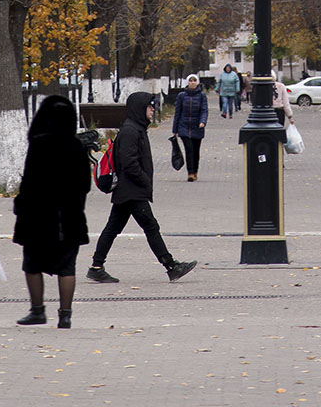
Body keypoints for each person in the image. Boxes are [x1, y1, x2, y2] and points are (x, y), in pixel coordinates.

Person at [86, 92, 197, 284]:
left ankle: (96, 267)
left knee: (113, 228)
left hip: (130, 189)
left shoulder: (136, 129)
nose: (153, 109)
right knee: (150, 226)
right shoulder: (130, 131)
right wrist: (144, 179)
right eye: (150, 106)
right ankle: (171, 266)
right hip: (132, 190)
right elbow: (128, 162)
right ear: (140, 108)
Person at [12, 95, 90, 329]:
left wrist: (21, 206)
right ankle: (65, 315)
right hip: (69, 214)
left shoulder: (38, 144)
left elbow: (28, 182)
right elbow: (85, 183)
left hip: (38, 216)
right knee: (67, 266)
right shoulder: (76, 145)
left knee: (32, 263)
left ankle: (37, 311)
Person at [172, 74, 208, 182]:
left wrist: (203, 121)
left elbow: (204, 110)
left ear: (197, 82)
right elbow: (177, 112)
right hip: (184, 126)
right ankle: (190, 173)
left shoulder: (202, 96)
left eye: (194, 81)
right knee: (189, 149)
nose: (192, 83)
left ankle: (195, 171)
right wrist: (175, 129)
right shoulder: (181, 96)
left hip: (197, 126)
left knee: (196, 151)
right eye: (190, 81)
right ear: (187, 82)